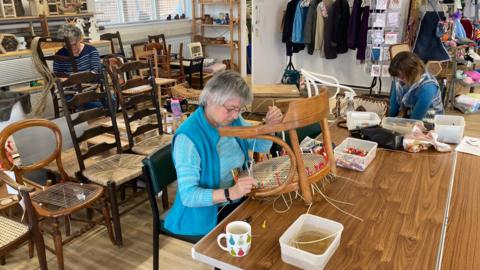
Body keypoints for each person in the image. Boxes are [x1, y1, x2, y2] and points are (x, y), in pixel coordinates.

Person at [164, 71, 284, 237]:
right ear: (211, 99)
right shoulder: (188, 138)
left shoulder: (231, 119)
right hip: (208, 213)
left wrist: (270, 127)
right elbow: (188, 196)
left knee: (274, 224)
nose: (236, 115)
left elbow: (261, 146)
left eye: (239, 109)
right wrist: (231, 193)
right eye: (231, 109)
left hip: (237, 199)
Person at [388, 51, 444, 121]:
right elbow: (393, 105)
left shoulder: (428, 87)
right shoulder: (399, 79)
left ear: (413, 72)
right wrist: (387, 121)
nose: (399, 80)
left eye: (402, 77)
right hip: (409, 115)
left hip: (429, 120)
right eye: (397, 77)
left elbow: (415, 119)